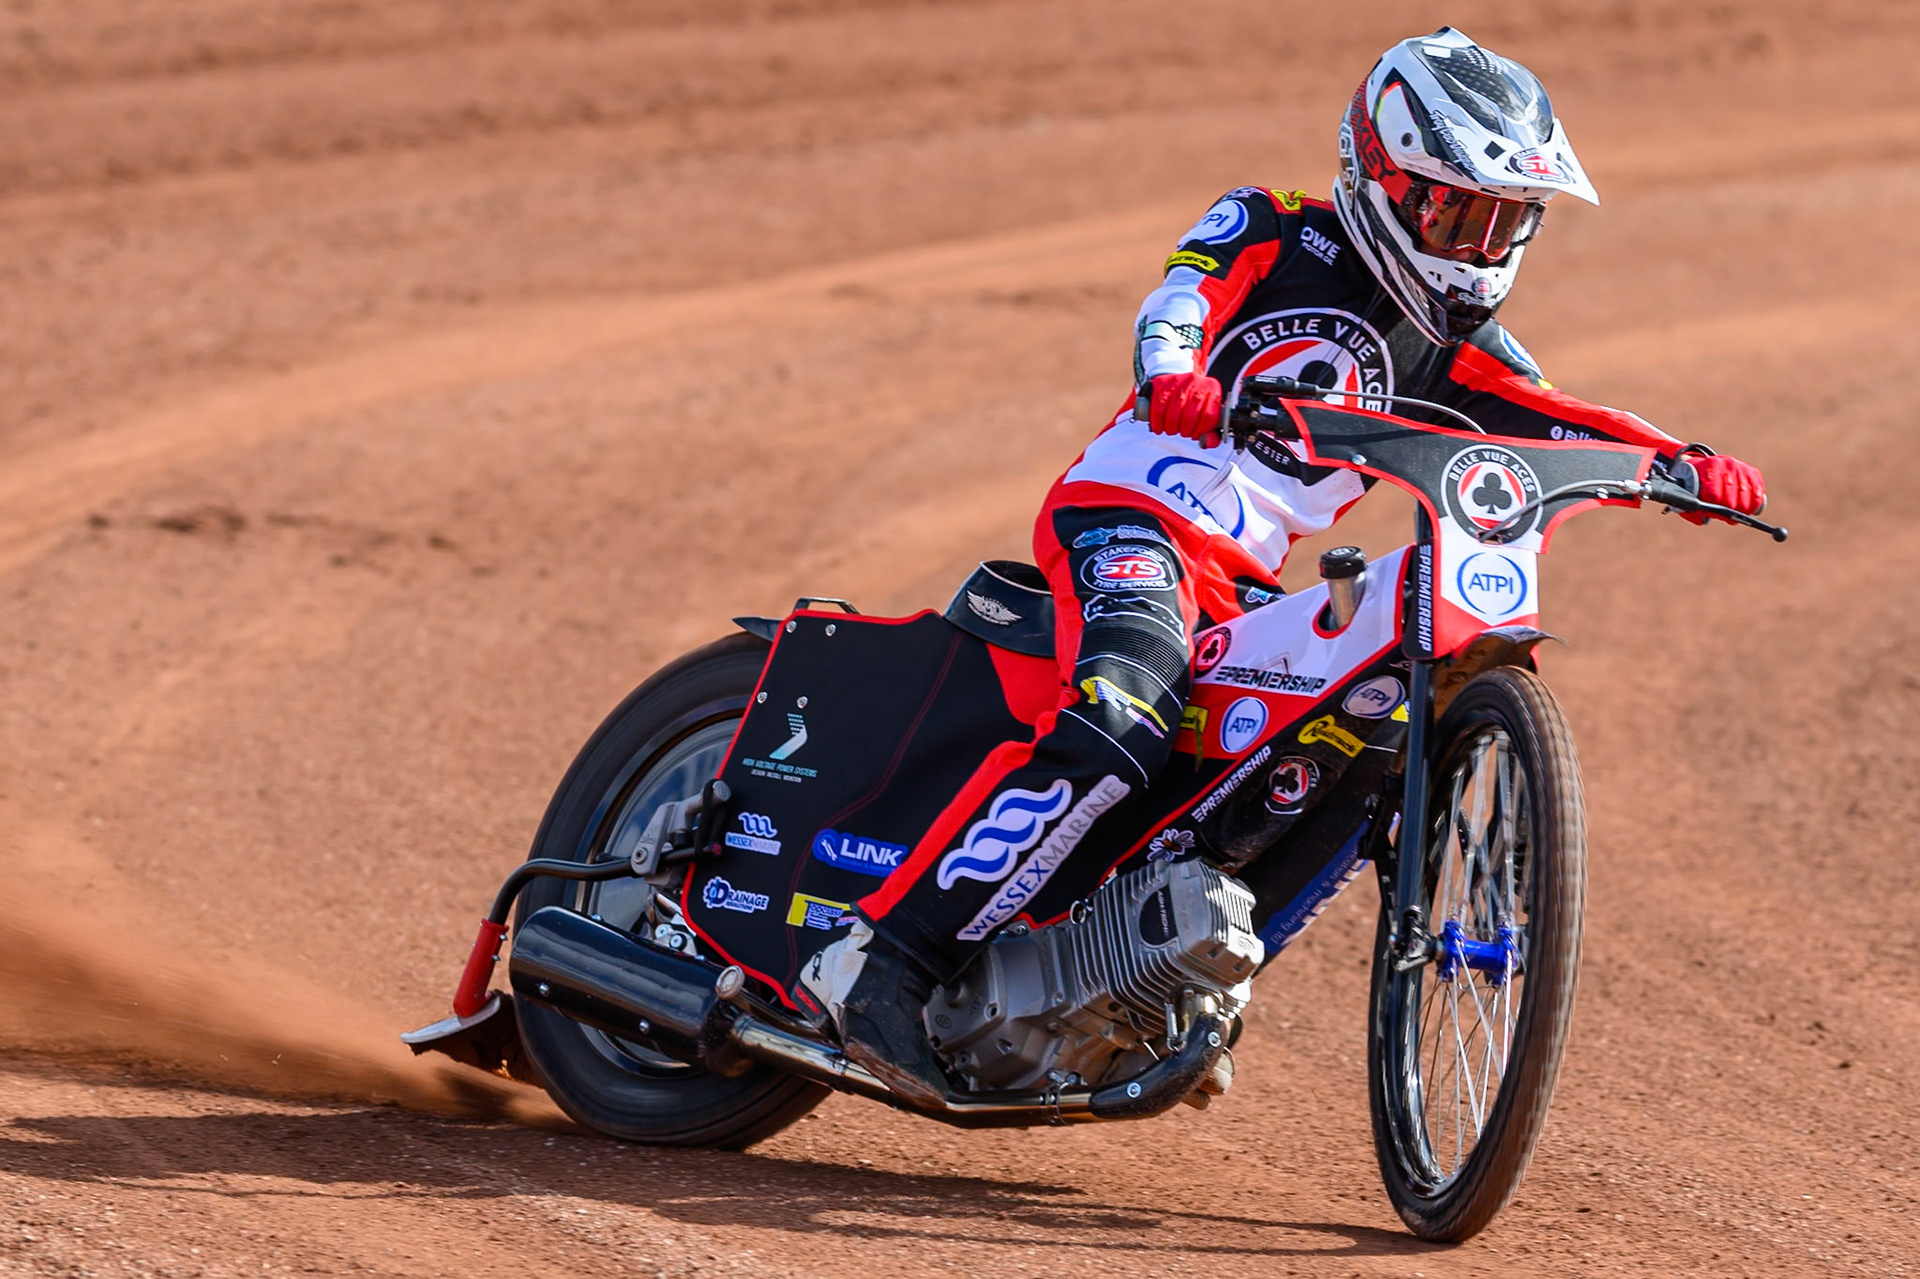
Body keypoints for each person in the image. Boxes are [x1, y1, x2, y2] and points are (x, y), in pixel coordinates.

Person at [803, 26, 1768, 1105]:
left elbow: (1562, 420)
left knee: (1364, 736)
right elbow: (1181, 298)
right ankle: (882, 960)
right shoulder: (1274, 227)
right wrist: (1175, 373)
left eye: (1506, 221)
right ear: (1385, 176)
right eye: (1459, 210)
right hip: (1135, 520)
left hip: (1243, 582)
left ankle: (1160, 984)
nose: (1479, 242)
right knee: (1129, 705)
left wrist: (1677, 463)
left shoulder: (1460, 352)